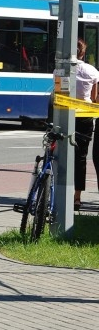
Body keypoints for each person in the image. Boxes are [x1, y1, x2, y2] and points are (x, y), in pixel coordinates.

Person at [69, 37, 99, 211]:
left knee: (61, 155)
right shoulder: (92, 71)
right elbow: (94, 98)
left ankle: (58, 193)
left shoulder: (60, 70)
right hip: (85, 118)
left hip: (66, 116)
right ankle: (77, 198)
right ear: (83, 52)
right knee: (81, 158)